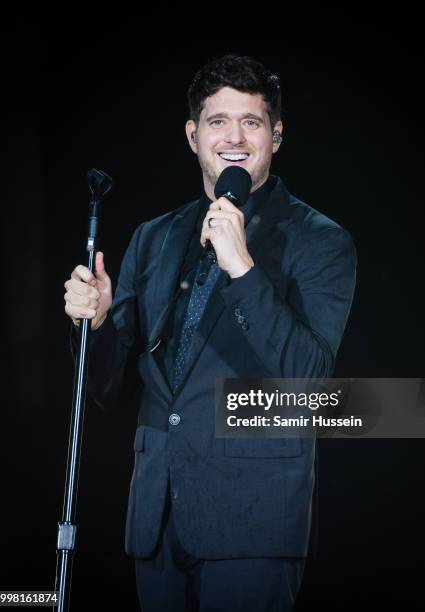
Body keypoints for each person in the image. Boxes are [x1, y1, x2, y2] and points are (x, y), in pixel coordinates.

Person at [64, 54, 357, 612]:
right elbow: (109, 390)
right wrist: (98, 324)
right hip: (158, 513)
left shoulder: (319, 239)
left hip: (254, 520)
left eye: (251, 122)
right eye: (218, 121)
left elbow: (309, 383)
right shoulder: (154, 238)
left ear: (275, 135)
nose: (235, 138)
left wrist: (243, 270)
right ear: (193, 135)